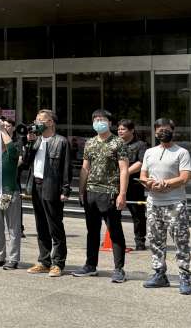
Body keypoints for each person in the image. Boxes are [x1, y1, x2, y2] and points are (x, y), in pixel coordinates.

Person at [73, 109, 129, 282]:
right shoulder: (90, 143)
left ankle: (119, 269)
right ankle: (90, 265)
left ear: (110, 123)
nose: (99, 122)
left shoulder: (118, 143)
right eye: (96, 119)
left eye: (102, 119)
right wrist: (81, 191)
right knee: (92, 231)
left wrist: (122, 194)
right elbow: (85, 168)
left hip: (110, 192)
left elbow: (124, 169)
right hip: (91, 192)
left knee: (115, 232)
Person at [140, 118, 191, 295]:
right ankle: (159, 274)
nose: (163, 132)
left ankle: (184, 277)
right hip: (153, 203)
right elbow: (143, 175)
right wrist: (148, 183)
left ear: (173, 131)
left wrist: (166, 183)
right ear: (155, 132)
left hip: (175, 203)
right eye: (159, 130)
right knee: (155, 241)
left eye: (166, 129)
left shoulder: (182, 152)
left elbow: (185, 177)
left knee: (180, 241)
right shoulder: (149, 152)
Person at [23, 110, 71, 277]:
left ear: (51, 122)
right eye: (36, 119)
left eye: (41, 120)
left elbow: (66, 168)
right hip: (36, 186)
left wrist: (65, 189)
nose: (37, 122)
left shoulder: (61, 141)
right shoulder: (36, 141)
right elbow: (26, 162)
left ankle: (58, 263)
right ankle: (44, 261)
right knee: (41, 225)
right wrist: (29, 143)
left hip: (52, 186)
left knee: (55, 226)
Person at [0, 119, 22, 270]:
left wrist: (2, 130)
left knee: (13, 227)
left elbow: (12, 150)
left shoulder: (11, 150)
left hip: (8, 192)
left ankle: (13, 259)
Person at [118, 119, 148, 250]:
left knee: (138, 214)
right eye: (119, 129)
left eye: (123, 129)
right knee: (114, 213)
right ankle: (116, 240)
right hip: (117, 184)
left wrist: (125, 173)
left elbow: (141, 163)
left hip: (134, 185)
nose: (120, 131)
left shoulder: (140, 145)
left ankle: (140, 241)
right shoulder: (115, 144)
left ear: (132, 130)